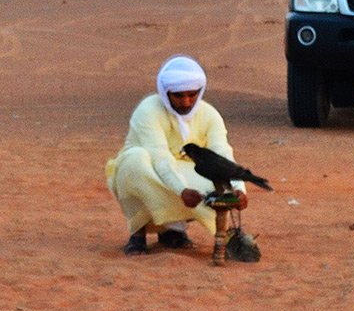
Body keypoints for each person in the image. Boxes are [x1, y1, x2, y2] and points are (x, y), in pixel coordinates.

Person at [105, 55, 249, 255]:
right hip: (148, 171)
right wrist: (181, 190)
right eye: (178, 96)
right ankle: (138, 233)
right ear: (166, 93)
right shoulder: (148, 110)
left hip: (184, 172)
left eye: (192, 95)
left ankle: (173, 230)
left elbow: (222, 154)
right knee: (135, 161)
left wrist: (239, 189)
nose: (186, 102)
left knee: (212, 185)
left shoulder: (209, 115)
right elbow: (159, 158)